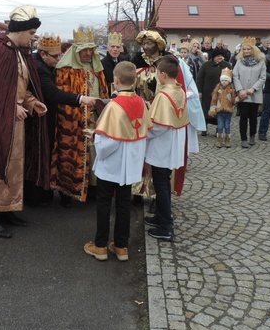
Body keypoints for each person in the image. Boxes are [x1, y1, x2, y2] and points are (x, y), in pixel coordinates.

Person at [0, 6, 48, 239]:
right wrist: (11, 106)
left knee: (13, 166)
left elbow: (21, 87)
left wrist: (32, 102)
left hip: (15, 121)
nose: (34, 37)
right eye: (32, 32)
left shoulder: (19, 52)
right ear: (21, 30)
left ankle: (7, 209)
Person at [83, 62, 151, 261]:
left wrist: (94, 136)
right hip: (131, 163)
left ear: (116, 81)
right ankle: (122, 246)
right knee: (124, 203)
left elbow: (108, 141)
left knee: (103, 202)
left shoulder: (114, 106)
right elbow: (142, 130)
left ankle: (101, 246)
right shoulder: (141, 102)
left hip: (112, 163)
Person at [32, 34, 96, 206]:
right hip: (43, 119)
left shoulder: (47, 64)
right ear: (43, 54)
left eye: (60, 55)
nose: (58, 58)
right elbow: (53, 93)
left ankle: (42, 194)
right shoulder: (40, 68)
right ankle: (37, 196)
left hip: (57, 117)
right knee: (41, 156)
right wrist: (80, 99)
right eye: (55, 56)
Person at [52, 29, 109, 206]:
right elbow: (61, 97)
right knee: (70, 156)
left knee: (94, 156)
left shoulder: (97, 69)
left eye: (90, 50)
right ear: (76, 51)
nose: (87, 53)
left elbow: (103, 92)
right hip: (72, 121)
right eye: (83, 50)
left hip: (94, 119)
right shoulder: (65, 71)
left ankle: (91, 190)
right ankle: (68, 192)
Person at [144, 58, 188, 243]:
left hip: (162, 145)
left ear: (162, 74)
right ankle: (161, 217)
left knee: (161, 185)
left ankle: (166, 226)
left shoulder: (163, 95)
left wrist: (144, 131)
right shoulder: (178, 90)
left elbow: (159, 126)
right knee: (163, 181)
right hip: (173, 143)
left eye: (157, 73)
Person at [233, 37, 267, 148]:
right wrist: (240, 89)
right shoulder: (239, 61)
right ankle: (243, 138)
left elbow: (262, 77)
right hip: (242, 94)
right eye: (245, 49)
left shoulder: (261, 62)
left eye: (249, 49)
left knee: (253, 116)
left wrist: (253, 88)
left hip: (254, 93)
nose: (246, 51)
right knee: (243, 117)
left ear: (253, 49)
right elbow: (235, 76)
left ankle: (252, 135)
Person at [196, 48, 232, 136]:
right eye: (218, 56)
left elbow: (231, 79)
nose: (220, 58)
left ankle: (218, 128)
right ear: (214, 57)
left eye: (221, 56)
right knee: (206, 110)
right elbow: (199, 78)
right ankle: (204, 128)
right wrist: (199, 90)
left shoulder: (227, 65)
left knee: (219, 110)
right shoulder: (206, 65)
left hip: (221, 92)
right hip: (207, 91)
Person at [209, 67, 236, 148]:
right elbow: (214, 100)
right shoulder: (217, 90)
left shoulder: (231, 91)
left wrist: (239, 98)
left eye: (226, 80)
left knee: (227, 126)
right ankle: (219, 140)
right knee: (220, 126)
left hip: (228, 111)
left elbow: (233, 100)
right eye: (222, 80)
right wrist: (212, 109)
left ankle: (227, 140)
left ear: (229, 81)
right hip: (220, 111)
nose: (224, 82)